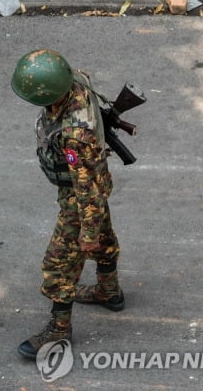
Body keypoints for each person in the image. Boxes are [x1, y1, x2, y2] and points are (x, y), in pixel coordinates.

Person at [10, 49, 125, 359]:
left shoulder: (75, 135)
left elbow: (86, 191)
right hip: (95, 182)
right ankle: (108, 291)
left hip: (80, 197)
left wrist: (86, 233)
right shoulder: (74, 81)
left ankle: (59, 331)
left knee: (59, 265)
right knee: (103, 235)